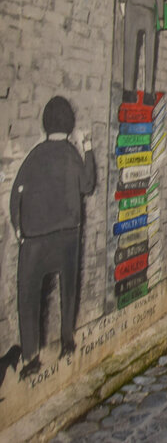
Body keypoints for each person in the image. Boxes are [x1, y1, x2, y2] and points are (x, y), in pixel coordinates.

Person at [10, 96, 96, 378]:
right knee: (68, 290)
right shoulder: (72, 154)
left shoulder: (34, 155)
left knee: (28, 296)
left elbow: (17, 193)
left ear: (45, 123)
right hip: (67, 236)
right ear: (70, 125)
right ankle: (67, 342)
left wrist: (19, 229)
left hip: (34, 239)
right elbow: (88, 184)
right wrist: (88, 147)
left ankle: (30, 358)